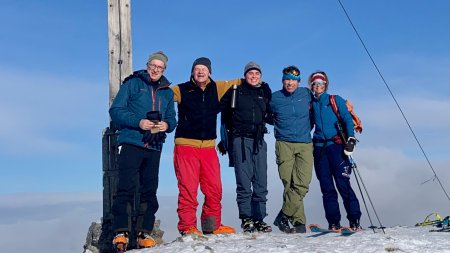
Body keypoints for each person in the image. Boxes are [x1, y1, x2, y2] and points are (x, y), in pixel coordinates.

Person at [109, 51, 177, 251]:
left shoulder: (167, 92)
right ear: (147, 65)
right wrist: (139, 122)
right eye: (152, 65)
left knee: (149, 189)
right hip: (132, 141)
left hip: (155, 144)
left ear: (164, 69)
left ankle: (144, 232)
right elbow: (116, 110)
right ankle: (120, 232)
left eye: (160, 67)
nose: (155, 69)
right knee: (125, 187)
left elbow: (173, 118)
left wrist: (167, 125)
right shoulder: (133, 84)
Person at [171, 57, 239, 236]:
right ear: (192, 71)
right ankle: (188, 227)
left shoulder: (217, 87)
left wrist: (257, 80)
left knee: (214, 188)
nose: (201, 72)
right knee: (188, 188)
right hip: (185, 146)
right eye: (197, 69)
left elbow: (241, 81)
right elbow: (162, 94)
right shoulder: (181, 89)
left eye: (204, 69)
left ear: (209, 72)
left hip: (209, 148)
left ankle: (212, 225)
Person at [220, 62, 272, 233]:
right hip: (240, 141)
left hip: (259, 140)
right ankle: (247, 218)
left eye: (257, 73)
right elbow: (224, 115)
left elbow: (271, 113)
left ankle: (259, 219)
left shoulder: (264, 91)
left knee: (261, 181)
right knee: (243, 181)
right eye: (251, 73)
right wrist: (225, 139)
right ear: (245, 75)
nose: (254, 76)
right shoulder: (236, 91)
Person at [309, 70, 362, 231]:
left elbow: (346, 118)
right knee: (326, 187)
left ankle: (354, 220)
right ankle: (333, 222)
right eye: (315, 84)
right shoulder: (311, 104)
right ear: (311, 86)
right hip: (319, 148)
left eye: (321, 84)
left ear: (326, 85)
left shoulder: (335, 100)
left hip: (337, 146)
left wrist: (350, 139)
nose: (318, 86)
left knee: (343, 183)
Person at [268, 66, 314, 234]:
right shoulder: (274, 98)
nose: (290, 82)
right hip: (284, 143)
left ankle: (283, 215)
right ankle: (299, 223)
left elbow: (320, 103)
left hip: (305, 143)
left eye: (294, 80)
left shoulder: (306, 94)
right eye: (287, 79)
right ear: (282, 80)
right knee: (289, 183)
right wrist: (280, 125)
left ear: (299, 82)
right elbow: (265, 115)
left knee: (302, 183)